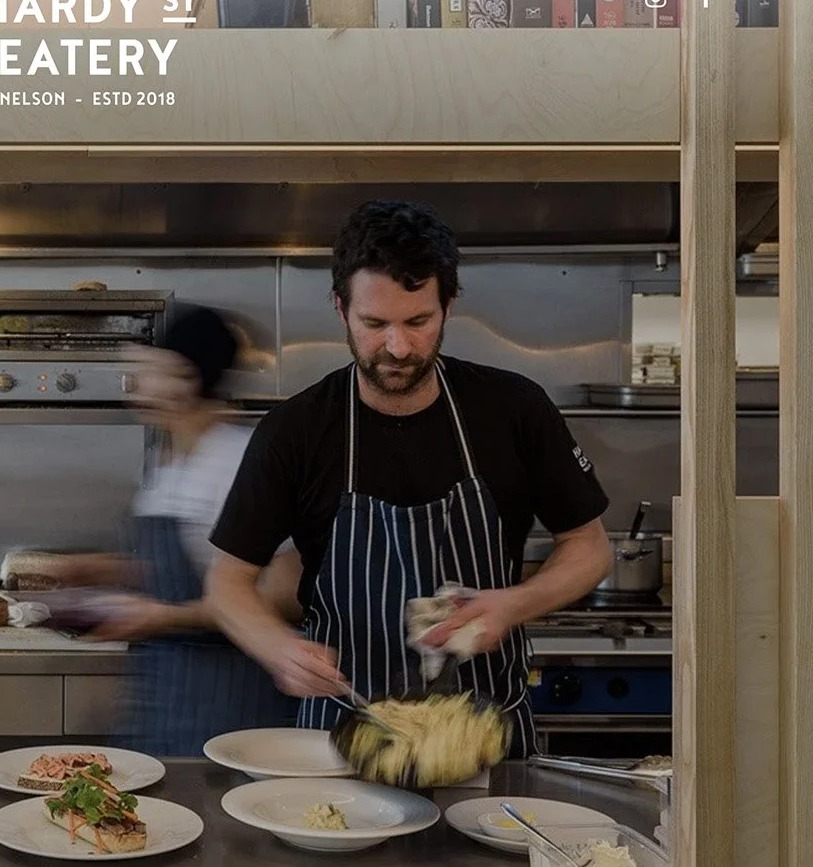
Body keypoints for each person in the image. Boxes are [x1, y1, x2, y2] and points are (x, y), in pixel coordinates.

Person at [203, 199, 613, 757]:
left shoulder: (515, 409)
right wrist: (277, 648)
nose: (398, 348)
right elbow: (227, 585)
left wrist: (513, 604)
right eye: (374, 324)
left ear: (448, 305)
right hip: (344, 734)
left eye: (418, 322)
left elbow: (589, 549)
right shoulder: (294, 431)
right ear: (340, 307)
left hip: (487, 737)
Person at [59, 305, 303, 757]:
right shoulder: (170, 460)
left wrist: (163, 617)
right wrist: (98, 569)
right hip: (166, 699)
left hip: (231, 704)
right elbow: (183, 568)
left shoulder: (236, 461)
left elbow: (284, 593)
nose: (135, 384)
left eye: (149, 369)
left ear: (185, 377)